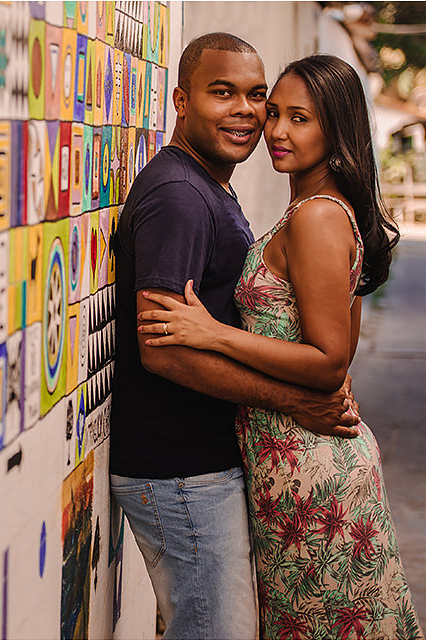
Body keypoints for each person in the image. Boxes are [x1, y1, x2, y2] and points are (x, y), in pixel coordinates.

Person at [139, 54, 423, 639]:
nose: (276, 132)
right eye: (275, 115)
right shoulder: (319, 209)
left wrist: (215, 334)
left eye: (301, 118)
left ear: (337, 129)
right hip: (291, 460)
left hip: (310, 470)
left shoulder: (316, 217)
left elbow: (329, 360)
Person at [108, 34, 363, 640]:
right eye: (222, 93)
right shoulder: (179, 196)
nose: (248, 113)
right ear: (180, 100)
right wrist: (292, 398)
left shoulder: (210, 187)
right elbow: (165, 352)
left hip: (206, 467)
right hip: (180, 471)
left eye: (259, 98)